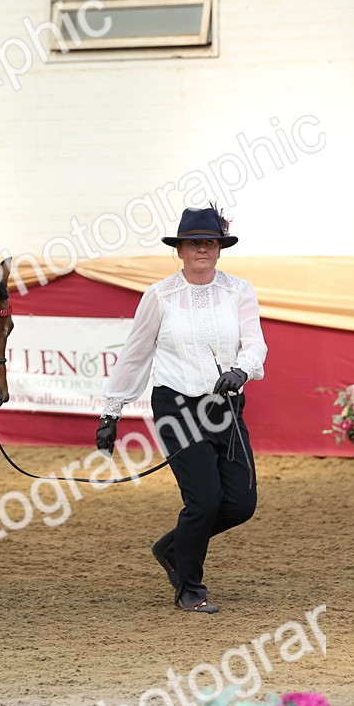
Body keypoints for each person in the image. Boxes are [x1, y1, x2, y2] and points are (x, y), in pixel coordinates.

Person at [95, 206, 267, 614]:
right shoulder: (159, 296)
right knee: (205, 500)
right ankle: (190, 586)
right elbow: (135, 355)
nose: (201, 250)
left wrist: (242, 371)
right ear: (180, 250)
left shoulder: (240, 291)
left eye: (209, 242)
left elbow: (254, 343)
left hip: (224, 405)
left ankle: (172, 548)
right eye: (193, 243)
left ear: (220, 248)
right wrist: (111, 413)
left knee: (240, 504)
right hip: (175, 405)